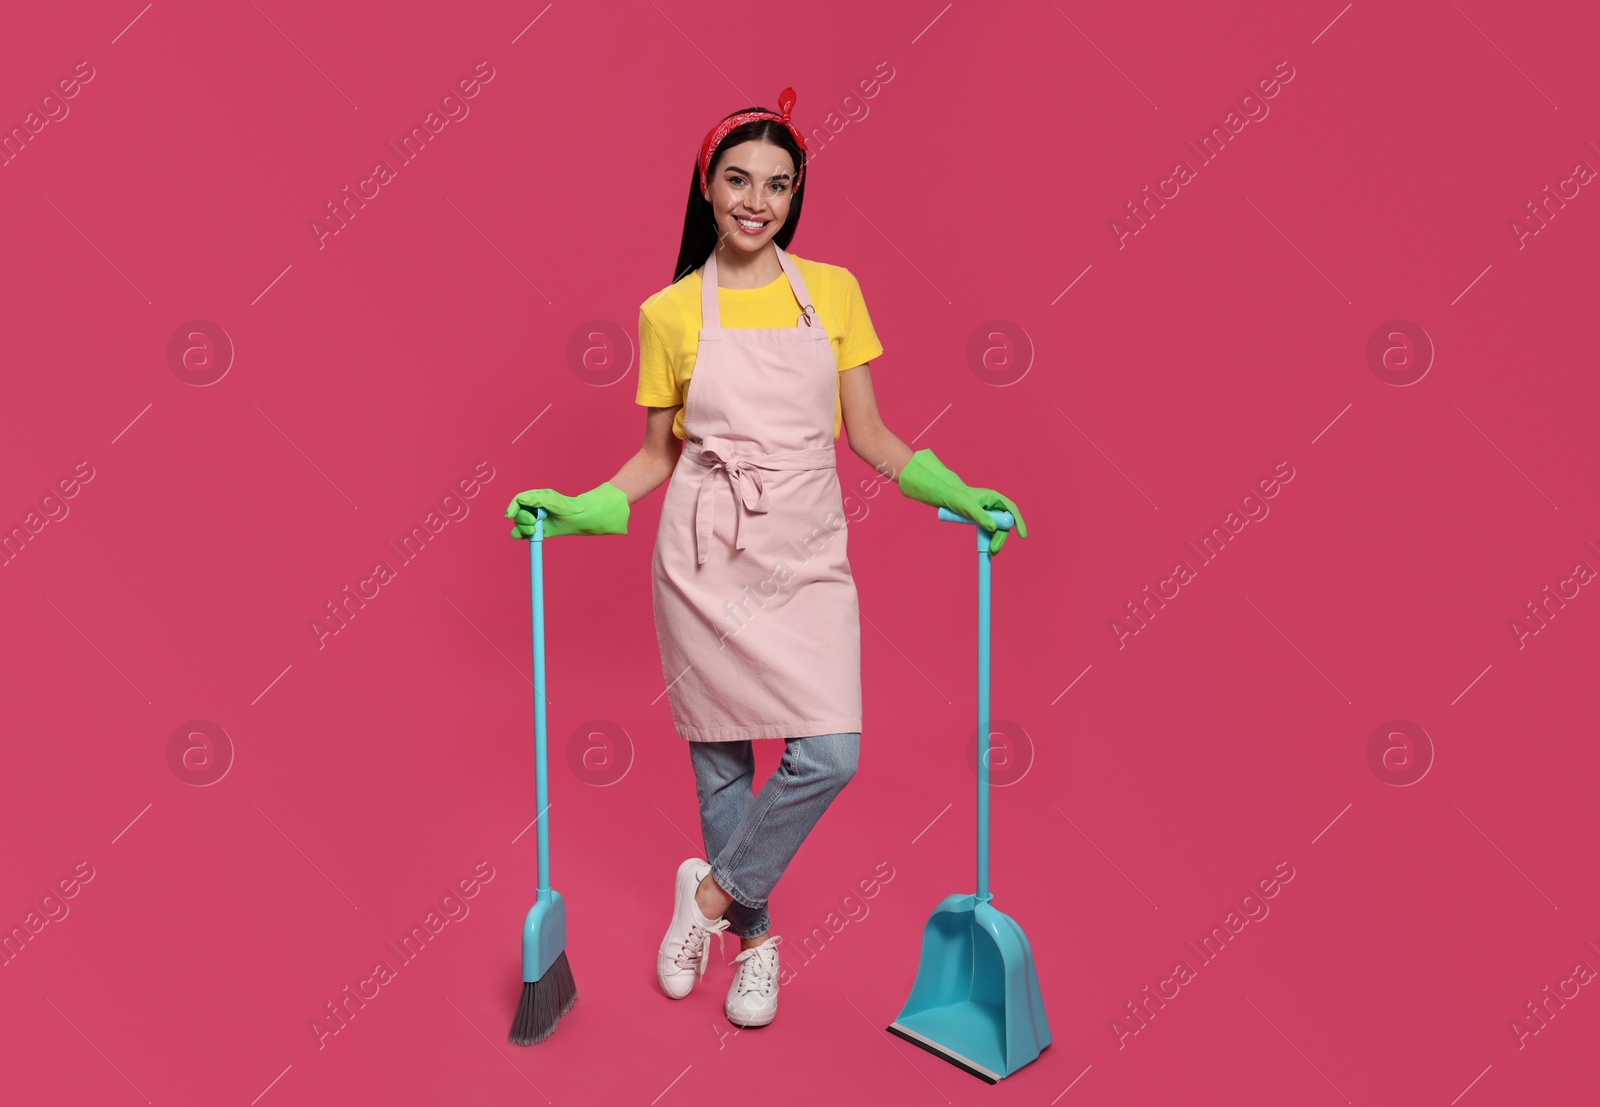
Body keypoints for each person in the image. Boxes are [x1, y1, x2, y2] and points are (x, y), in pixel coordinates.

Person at [505, 87, 1026, 1029]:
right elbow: (659, 453)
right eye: (738, 179)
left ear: (794, 197)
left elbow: (869, 435)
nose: (757, 200)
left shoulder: (832, 291)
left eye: (778, 186)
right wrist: (582, 506)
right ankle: (756, 944)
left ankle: (703, 902)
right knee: (721, 768)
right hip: (704, 553)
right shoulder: (667, 311)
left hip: (806, 549)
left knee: (829, 752)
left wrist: (956, 489)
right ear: (706, 186)